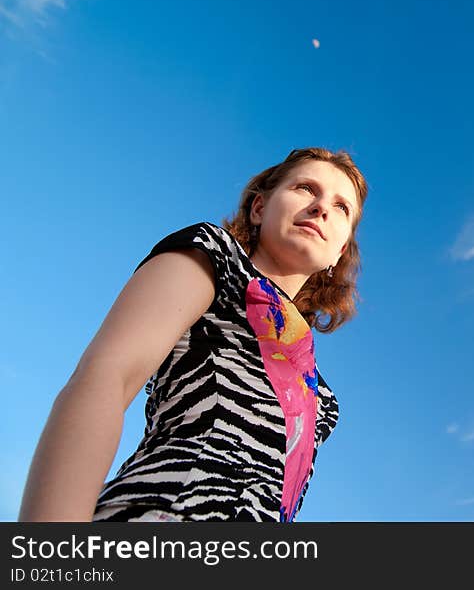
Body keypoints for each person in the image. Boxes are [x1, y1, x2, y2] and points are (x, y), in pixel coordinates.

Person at [18, 147, 368, 522]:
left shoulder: (322, 396)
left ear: (340, 250)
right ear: (260, 209)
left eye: (342, 207)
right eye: (305, 188)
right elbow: (107, 376)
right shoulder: (214, 255)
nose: (321, 208)